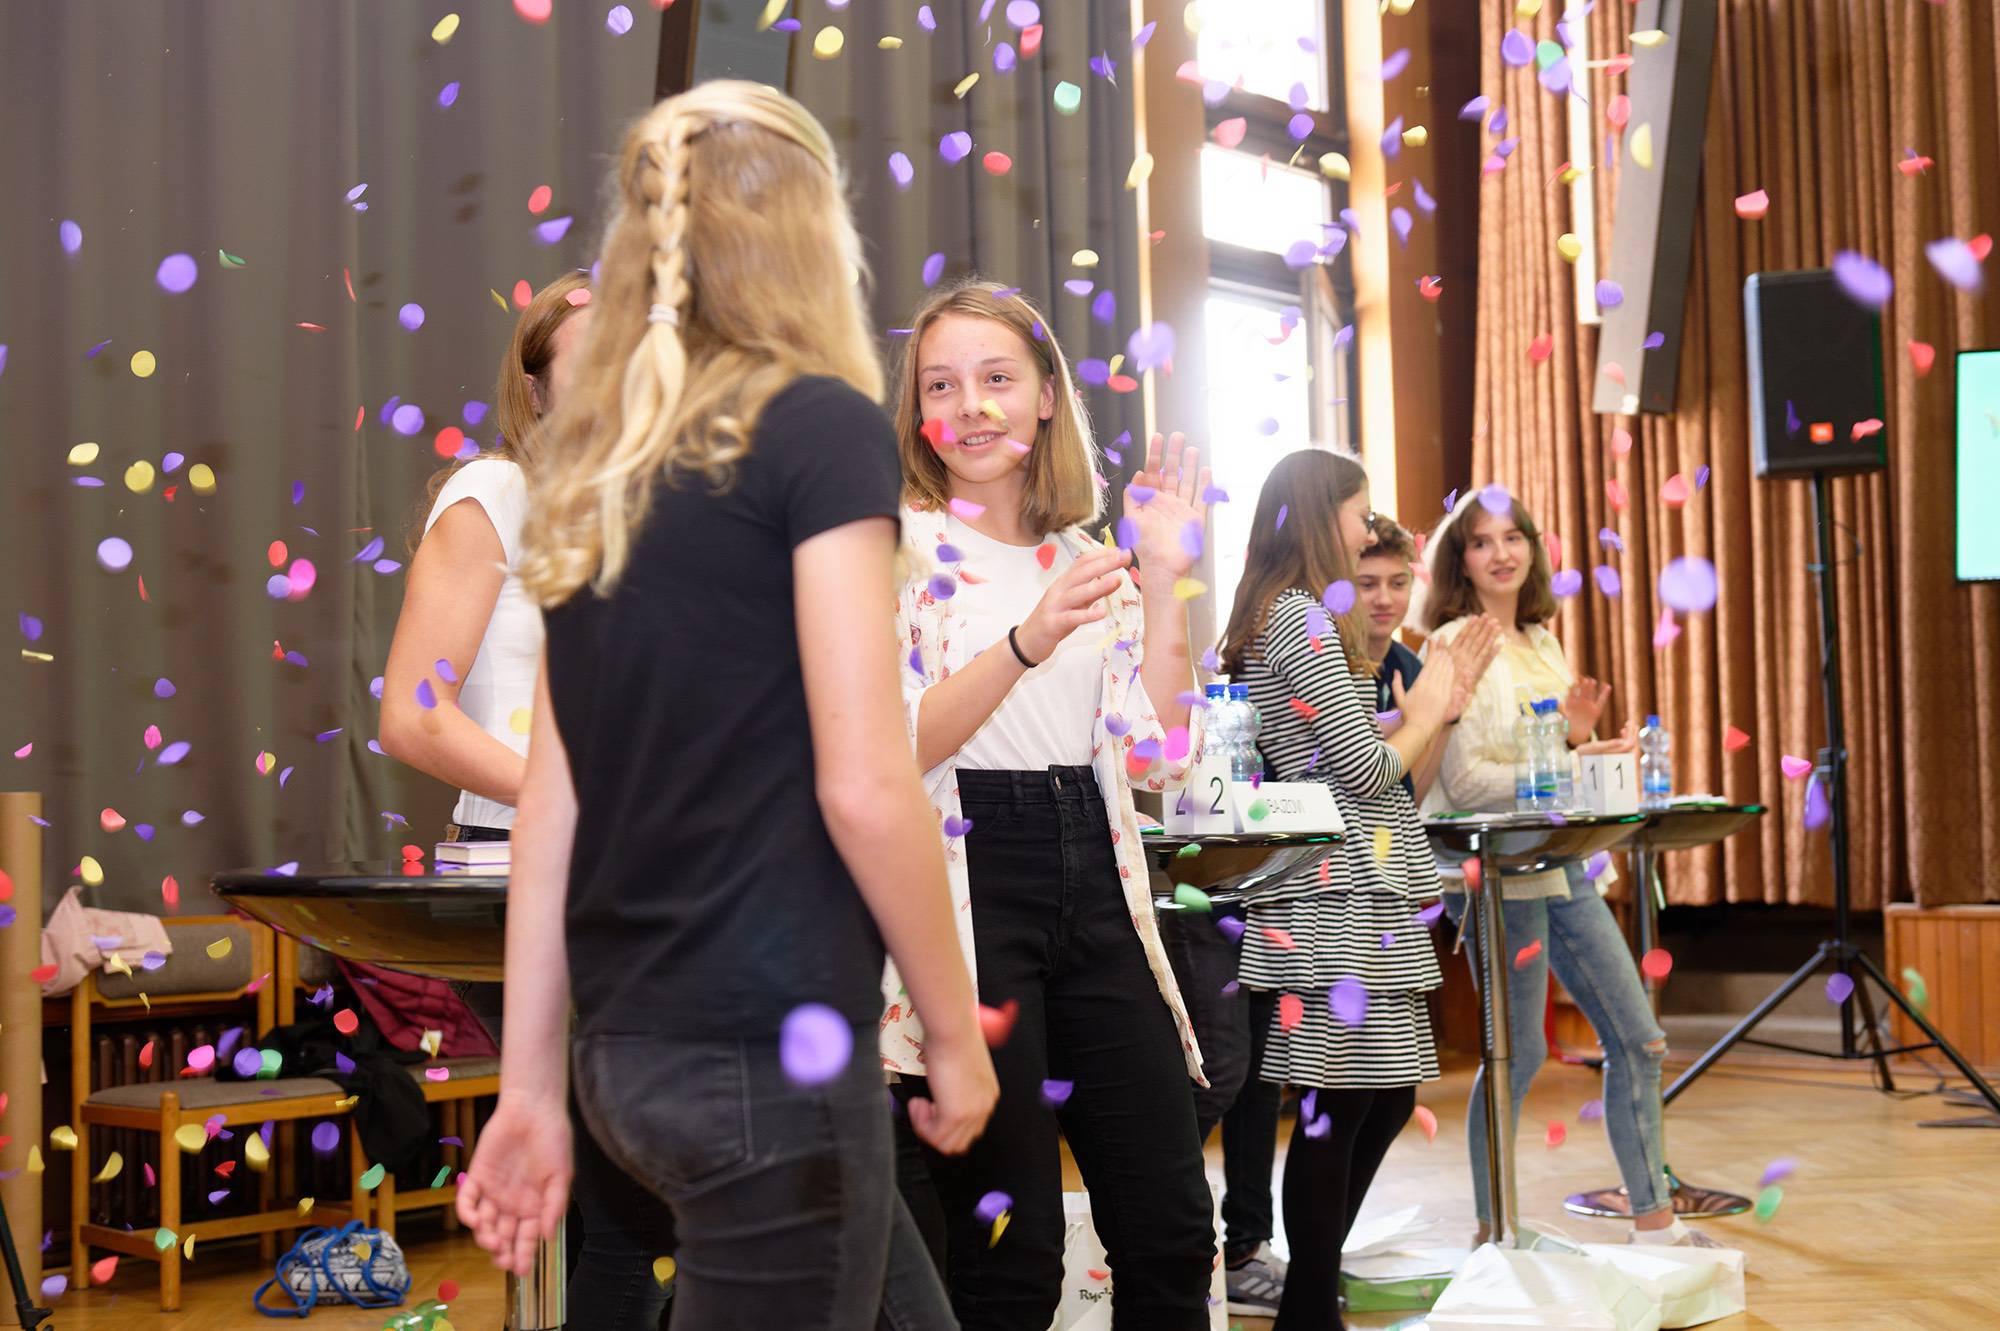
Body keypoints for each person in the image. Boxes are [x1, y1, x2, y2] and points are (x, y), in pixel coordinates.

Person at [455, 82, 997, 1328]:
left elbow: (552, 808)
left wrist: (530, 1087)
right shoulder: (818, 428)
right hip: (768, 1046)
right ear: (810, 234)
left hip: (625, 1053)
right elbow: (865, 782)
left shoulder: (598, 466)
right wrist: (954, 1031)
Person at [880, 278, 1217, 1330]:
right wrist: (1024, 640)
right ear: (917, 411)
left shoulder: (1085, 556)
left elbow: (1160, 759)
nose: (971, 405)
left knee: (1171, 1228)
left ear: (1045, 397)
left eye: (996, 377)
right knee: (1010, 1253)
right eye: (942, 384)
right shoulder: (892, 549)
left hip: (1098, 874)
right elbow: (886, 746)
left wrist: (1162, 579)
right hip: (967, 885)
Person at [379, 271, 677, 1329]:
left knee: (631, 1202)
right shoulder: (493, 496)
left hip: (655, 879)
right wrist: (574, 803)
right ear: (537, 387)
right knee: (630, 1201)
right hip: (521, 874)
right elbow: (414, 716)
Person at [1419, 488, 1720, 1249]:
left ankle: (1655, 1223)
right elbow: (1467, 784)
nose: (1501, 553)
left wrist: (1587, 749)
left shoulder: (1543, 640)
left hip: (1568, 869)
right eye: (1481, 541)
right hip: (1498, 879)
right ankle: (1494, 1235)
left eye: (1513, 536)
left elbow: (1550, 774)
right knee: (1515, 1059)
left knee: (1640, 1040)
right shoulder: (1451, 644)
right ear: (1460, 560)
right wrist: (1570, 754)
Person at [1216, 448, 1475, 1331]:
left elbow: (1346, 758)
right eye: (1360, 514)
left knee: (1383, 1096)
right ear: (1320, 513)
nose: (1368, 530)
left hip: (1358, 876)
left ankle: (1310, 1290)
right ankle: (1309, 1307)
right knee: (1342, 1102)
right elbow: (1363, 770)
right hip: (1333, 885)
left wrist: (1410, 709)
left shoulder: (1298, 613)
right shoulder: (1299, 615)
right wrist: (1429, 707)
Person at [1355, 518, 1501, 803]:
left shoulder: (1409, 666)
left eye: (1398, 583)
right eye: (1367, 585)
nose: (1384, 599)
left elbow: (1412, 797)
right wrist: (1416, 720)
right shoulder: (1330, 663)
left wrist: (1445, 718)